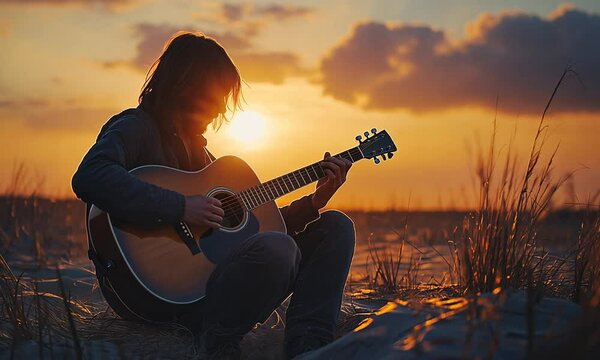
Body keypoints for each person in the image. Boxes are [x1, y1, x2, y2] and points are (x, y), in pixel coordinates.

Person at [71, 31, 355, 359]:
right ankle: (218, 342)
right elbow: (91, 176)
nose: (222, 105)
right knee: (278, 248)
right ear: (187, 84)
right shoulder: (136, 127)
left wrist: (314, 203)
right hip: (158, 294)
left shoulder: (202, 158)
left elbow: (258, 230)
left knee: (335, 226)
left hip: (211, 285)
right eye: (218, 93)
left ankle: (308, 346)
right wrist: (180, 207)